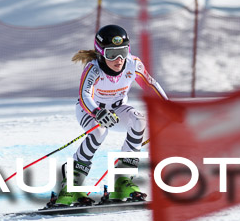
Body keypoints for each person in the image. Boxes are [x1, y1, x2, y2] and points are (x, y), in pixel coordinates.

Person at [53, 24, 168, 206]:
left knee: (139, 120)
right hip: (90, 110)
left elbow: (151, 85)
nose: (119, 59)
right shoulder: (93, 69)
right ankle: (72, 184)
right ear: (101, 53)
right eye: (112, 54)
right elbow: (84, 96)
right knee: (99, 132)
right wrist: (97, 113)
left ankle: (122, 180)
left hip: (116, 111)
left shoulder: (133, 64)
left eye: (123, 51)